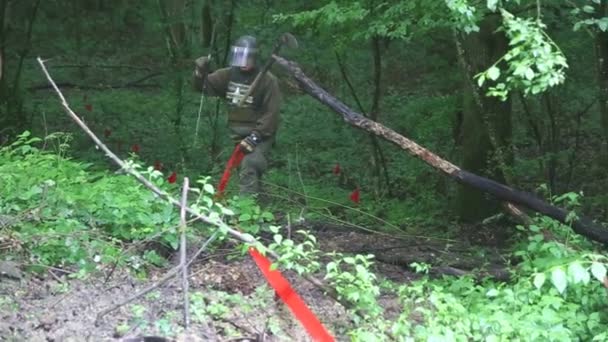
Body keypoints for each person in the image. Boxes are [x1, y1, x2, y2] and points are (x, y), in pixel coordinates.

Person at [193, 35, 282, 198]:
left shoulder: (268, 81)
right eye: (240, 56)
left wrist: (255, 136)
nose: (244, 62)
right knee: (243, 169)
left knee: (250, 164)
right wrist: (200, 72)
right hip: (236, 134)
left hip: (260, 135)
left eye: (248, 57)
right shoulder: (227, 75)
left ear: (255, 57)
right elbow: (204, 87)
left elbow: (272, 114)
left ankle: (245, 210)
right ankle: (259, 204)